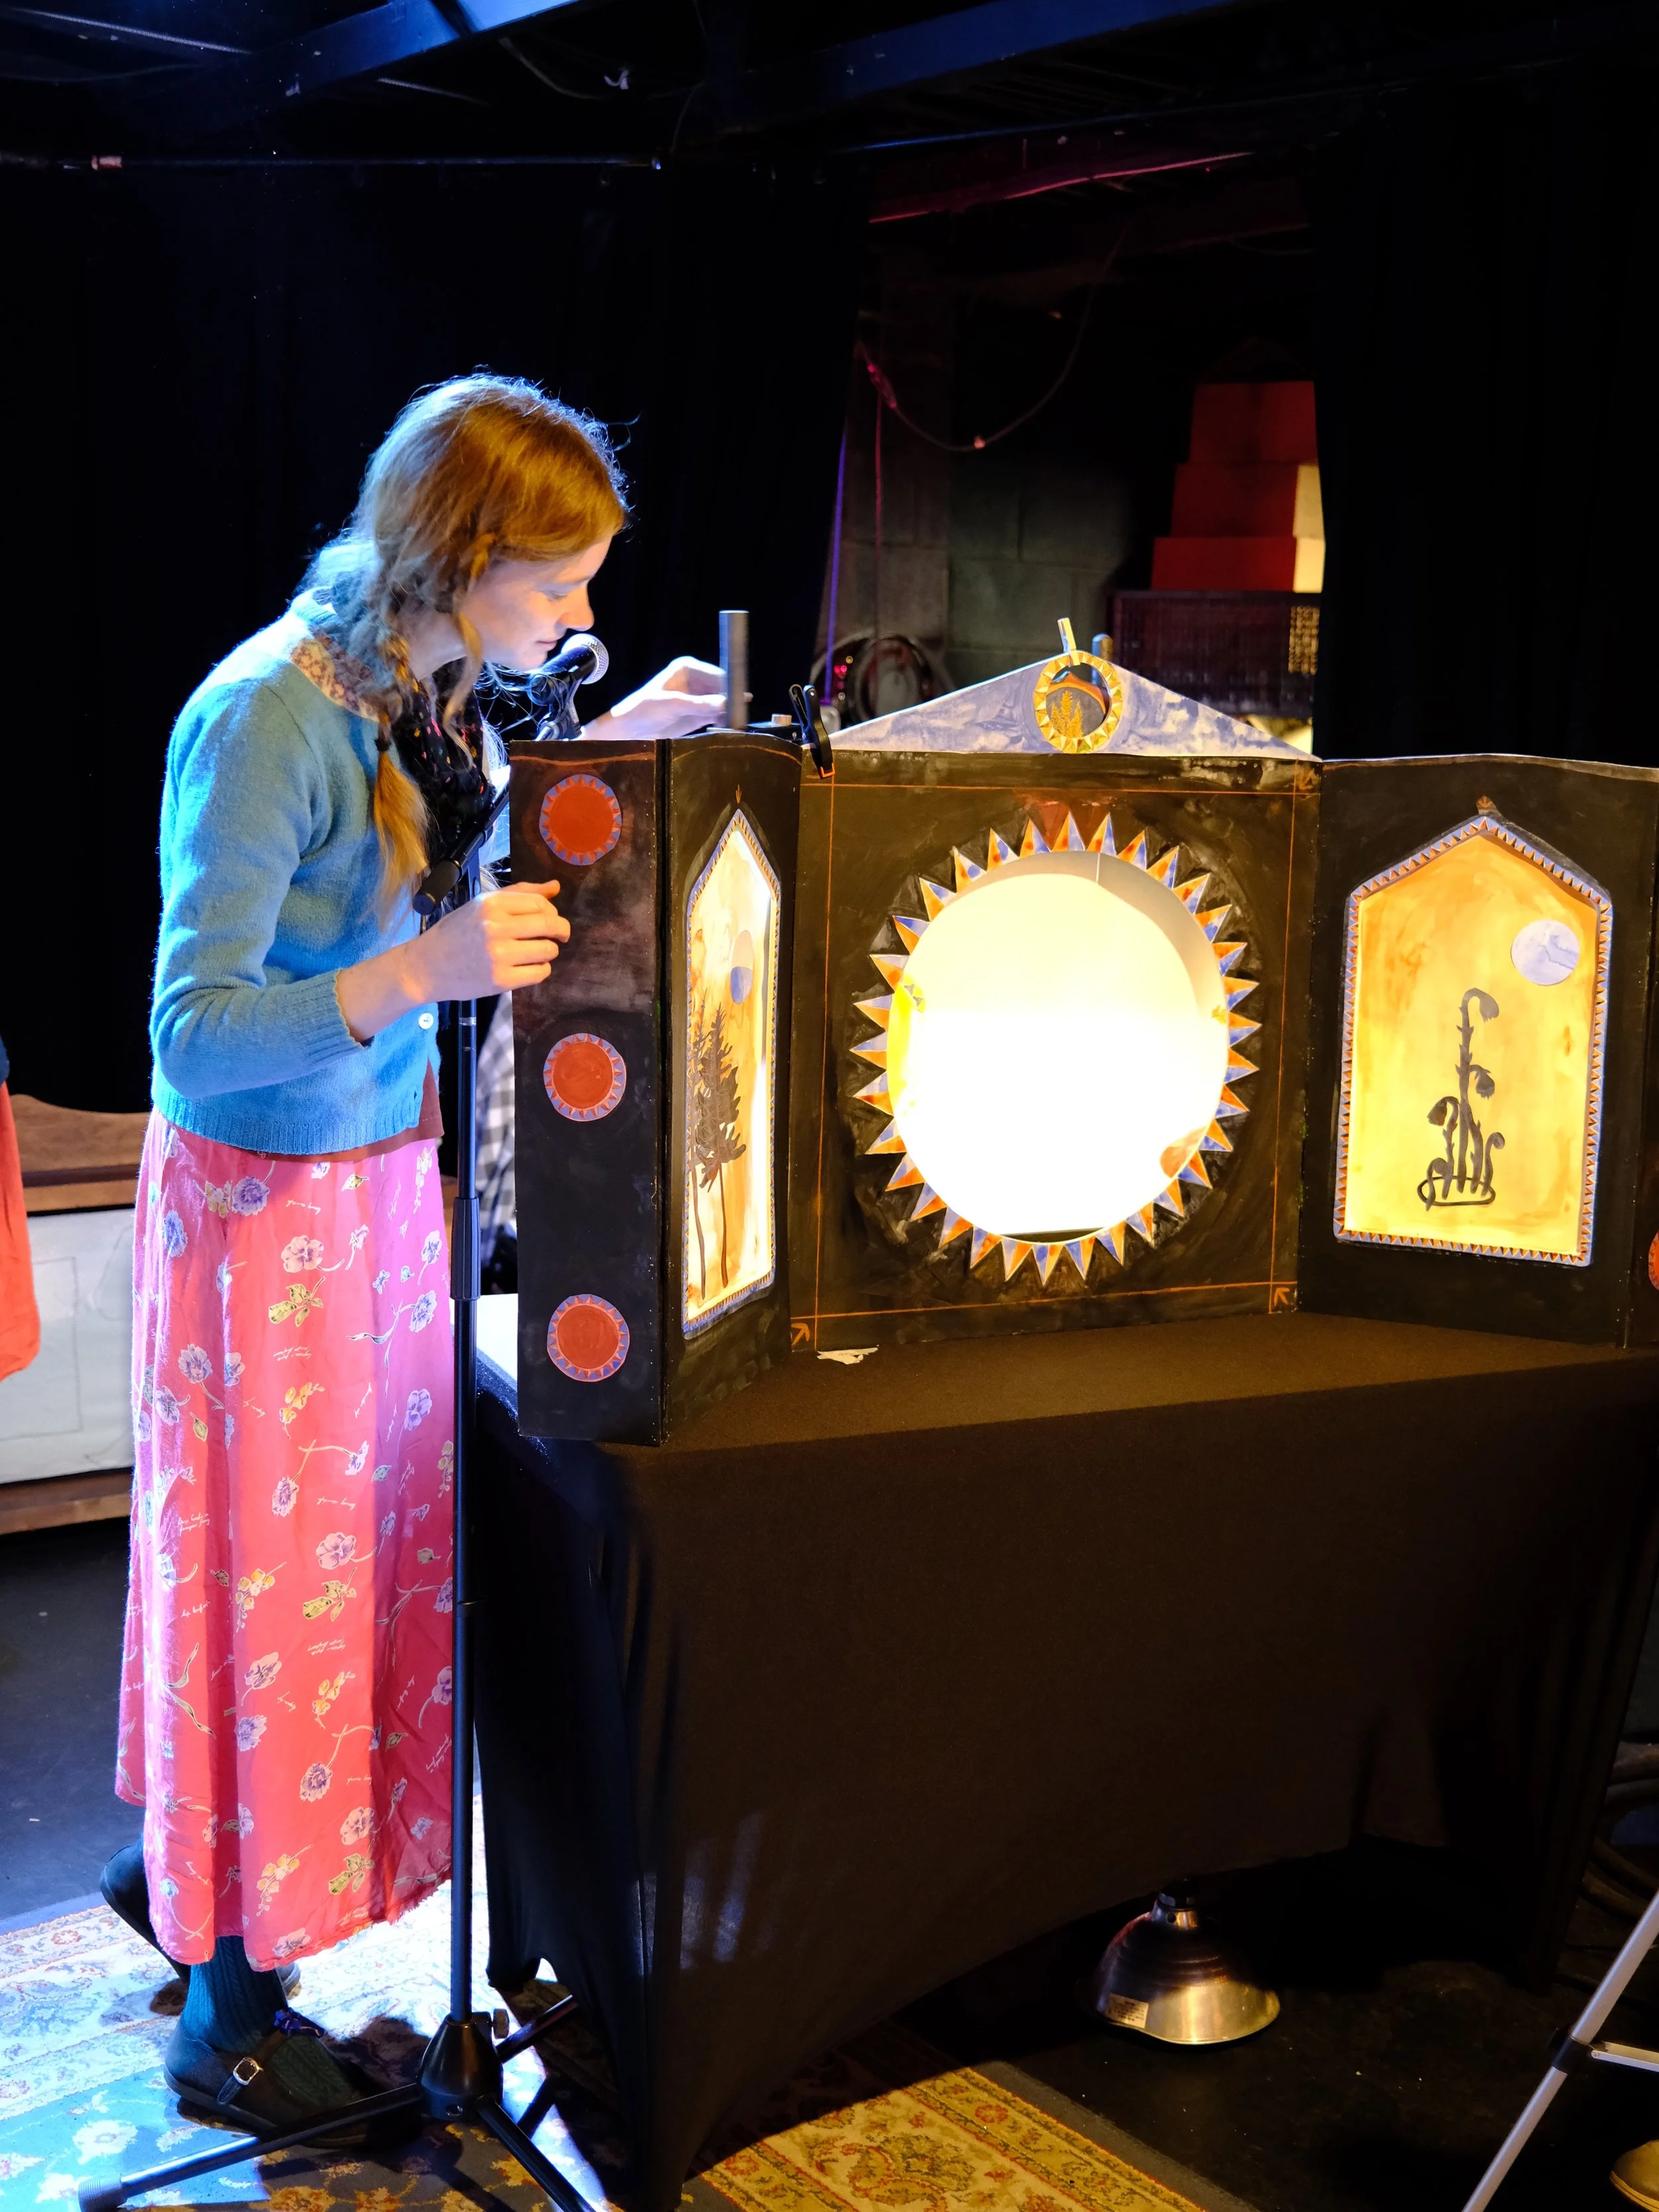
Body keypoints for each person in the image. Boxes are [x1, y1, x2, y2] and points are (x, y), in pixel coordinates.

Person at [106, 373, 722, 2142]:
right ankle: (227, 2017)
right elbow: (196, 1029)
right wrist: (419, 978)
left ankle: (197, 1873)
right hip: (262, 1216)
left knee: (328, 1578)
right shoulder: (265, 717)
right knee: (272, 1593)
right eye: (559, 584)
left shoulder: (424, 682)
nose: (580, 617)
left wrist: (624, 737)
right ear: (456, 555)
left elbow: (449, 840)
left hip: (375, 1185)